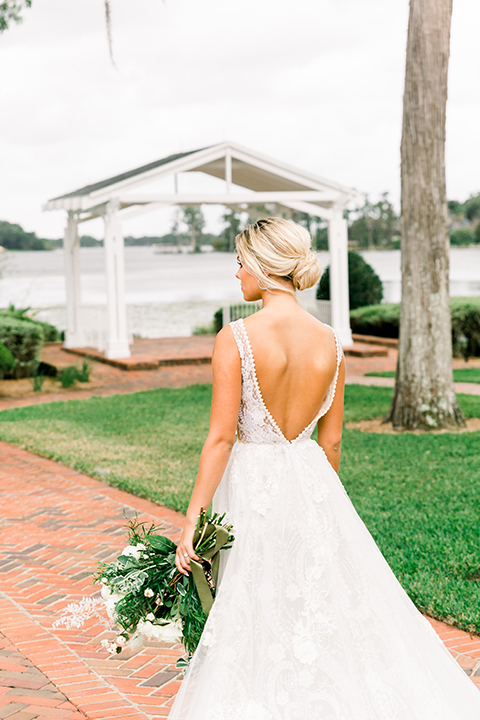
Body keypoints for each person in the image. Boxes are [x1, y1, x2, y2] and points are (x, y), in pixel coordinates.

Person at [170, 218, 480, 719]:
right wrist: (319, 504)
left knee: (253, 602)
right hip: (311, 482)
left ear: (263, 267)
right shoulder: (332, 341)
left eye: (239, 262)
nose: (237, 274)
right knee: (313, 604)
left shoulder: (236, 339)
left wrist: (192, 522)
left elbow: (222, 438)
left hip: (252, 484)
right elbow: (331, 440)